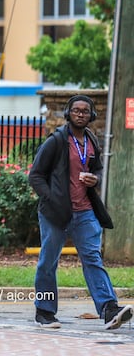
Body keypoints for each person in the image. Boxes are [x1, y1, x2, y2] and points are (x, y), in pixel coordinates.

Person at [29, 94, 133, 330]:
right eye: (76, 110)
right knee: (48, 262)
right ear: (68, 113)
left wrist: (94, 178)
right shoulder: (56, 141)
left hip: (85, 212)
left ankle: (109, 309)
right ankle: (45, 312)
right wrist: (52, 198)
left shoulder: (91, 141)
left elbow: (99, 171)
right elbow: (35, 176)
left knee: (93, 259)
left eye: (85, 111)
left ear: (91, 116)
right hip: (55, 213)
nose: (80, 114)